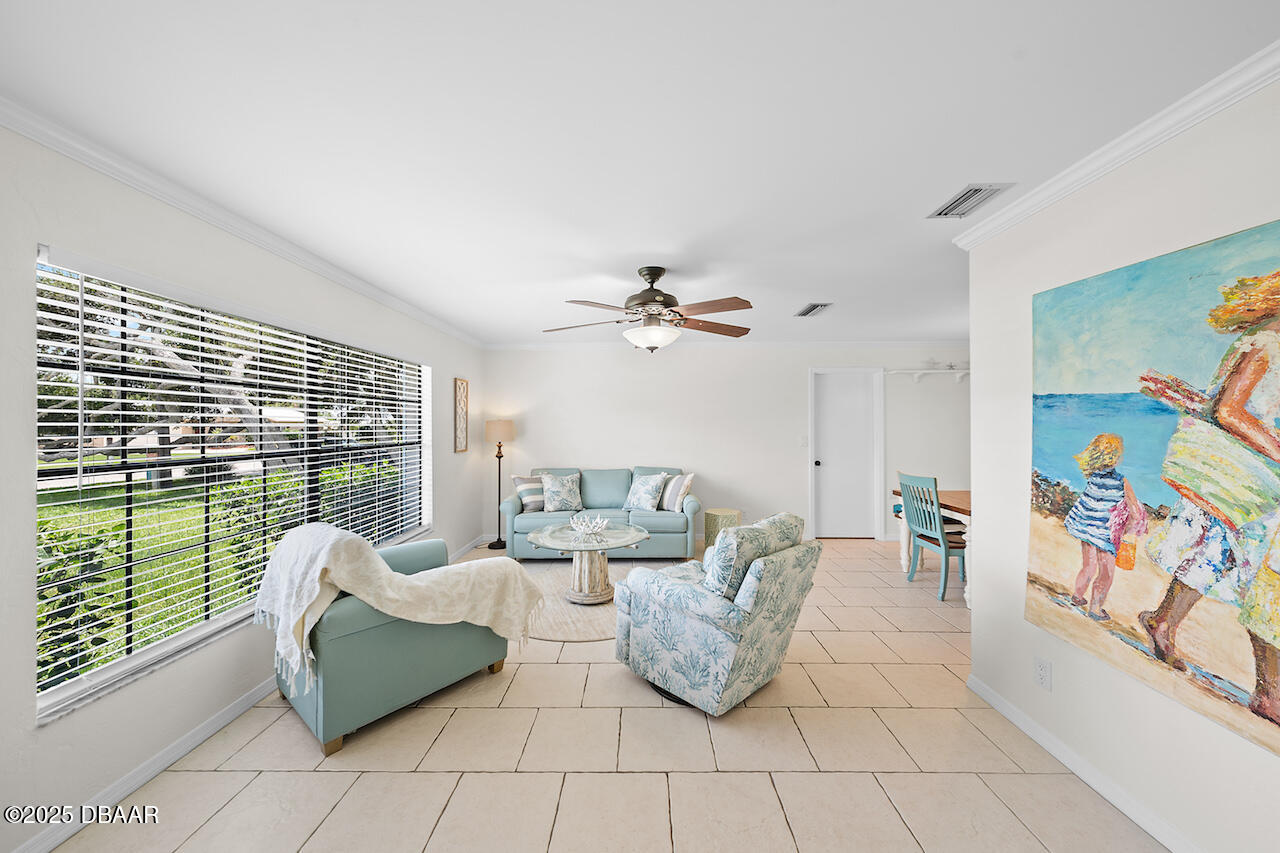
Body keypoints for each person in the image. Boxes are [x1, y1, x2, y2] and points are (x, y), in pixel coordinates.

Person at [1140, 269, 1280, 725]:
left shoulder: (1263, 341)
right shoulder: (1267, 344)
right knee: (1264, 582)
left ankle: (1163, 622)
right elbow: (1229, 410)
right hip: (1247, 480)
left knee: (1210, 559)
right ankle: (1269, 694)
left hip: (1243, 480)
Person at [1064, 434, 1148, 621]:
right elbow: (1134, 510)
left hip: (1088, 530)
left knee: (1088, 566)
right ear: (1115, 456)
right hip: (1106, 535)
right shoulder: (1121, 481)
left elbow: (1088, 503)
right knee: (1106, 573)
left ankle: (1077, 597)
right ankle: (1095, 609)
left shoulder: (1093, 478)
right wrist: (1128, 529)